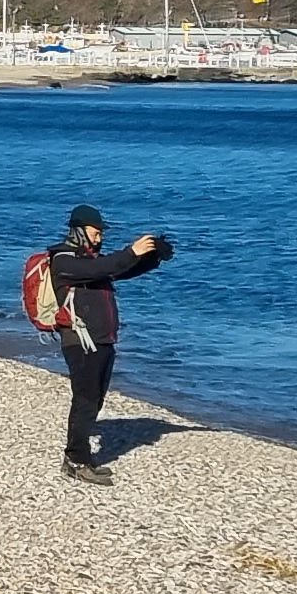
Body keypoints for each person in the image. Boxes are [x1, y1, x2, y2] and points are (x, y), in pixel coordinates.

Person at [43, 202, 172, 481]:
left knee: (95, 399)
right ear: (78, 231)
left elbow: (118, 270)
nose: (99, 237)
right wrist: (132, 251)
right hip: (80, 340)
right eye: (96, 232)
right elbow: (107, 266)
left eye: (101, 233)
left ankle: (81, 457)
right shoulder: (63, 260)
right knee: (86, 400)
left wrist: (152, 257)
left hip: (102, 339)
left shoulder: (90, 261)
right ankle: (76, 460)